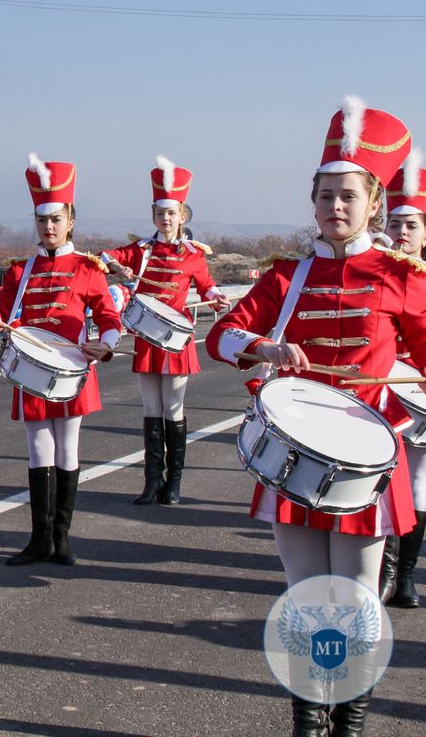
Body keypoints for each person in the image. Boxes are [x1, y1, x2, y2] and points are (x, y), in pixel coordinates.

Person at [207, 97, 425, 736]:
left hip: (367, 458)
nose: (335, 206)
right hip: (298, 456)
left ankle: (349, 717)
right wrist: (264, 347)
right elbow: (221, 336)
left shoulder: (400, 275)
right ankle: (308, 714)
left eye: (348, 196)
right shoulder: (287, 277)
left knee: (355, 597)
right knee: (305, 596)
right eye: (325, 194)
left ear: (373, 203)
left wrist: (407, 390)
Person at [0, 157, 121, 565]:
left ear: (70, 221)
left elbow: (109, 315)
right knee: (37, 450)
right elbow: (0, 315)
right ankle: (39, 539)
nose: (48, 227)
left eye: (56, 219)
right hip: (31, 372)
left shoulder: (88, 268)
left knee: (67, 450)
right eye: (42, 220)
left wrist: (107, 342)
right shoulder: (19, 271)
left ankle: (61, 539)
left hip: (73, 370)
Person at [100, 156, 228, 505]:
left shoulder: (192, 255)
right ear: (153, 214)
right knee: (150, 409)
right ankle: (152, 480)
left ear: (182, 215)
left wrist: (217, 298)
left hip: (175, 339)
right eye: (160, 212)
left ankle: (174, 483)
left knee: (173, 409)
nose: (166, 218)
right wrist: (116, 267)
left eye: (172, 213)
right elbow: (104, 255)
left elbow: (208, 286)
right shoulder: (141, 250)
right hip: (146, 338)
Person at [379, 157, 426, 610]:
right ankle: (382, 569)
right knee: (378, 479)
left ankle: (404, 574)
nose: (402, 232)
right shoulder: (374, 275)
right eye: (395, 222)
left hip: (422, 398)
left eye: (412, 224)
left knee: (419, 486)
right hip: (382, 394)